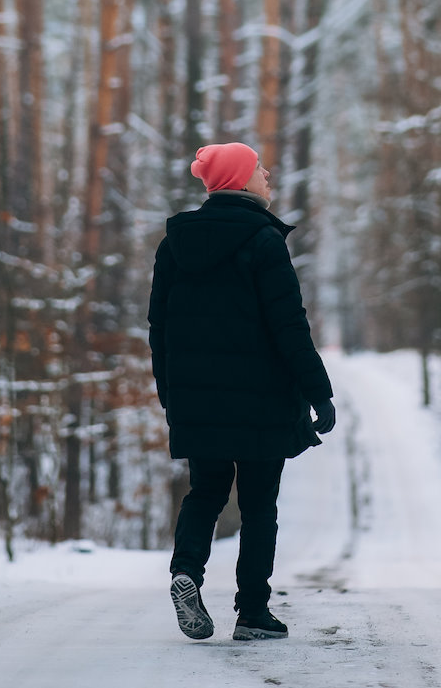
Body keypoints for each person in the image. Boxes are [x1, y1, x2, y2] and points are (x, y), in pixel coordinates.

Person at [147, 142, 336, 641]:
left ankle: (186, 571)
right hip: (262, 402)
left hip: (196, 401)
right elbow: (288, 326)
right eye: (259, 168)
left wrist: (172, 395)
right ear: (239, 180)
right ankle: (252, 612)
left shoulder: (173, 245)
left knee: (205, 490)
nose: (268, 173)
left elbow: (159, 328)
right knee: (258, 505)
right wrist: (319, 392)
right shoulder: (263, 241)